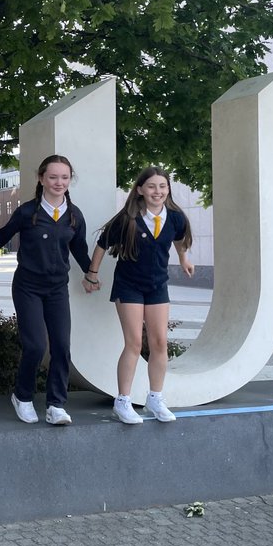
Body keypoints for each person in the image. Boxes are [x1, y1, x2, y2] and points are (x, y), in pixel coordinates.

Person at [0, 155, 94, 426]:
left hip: (57, 289)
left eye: (64, 177)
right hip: (27, 287)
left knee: (62, 347)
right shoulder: (28, 212)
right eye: (53, 177)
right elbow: (1, 238)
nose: (59, 182)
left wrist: (92, 273)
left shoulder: (74, 216)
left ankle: (56, 404)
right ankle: (22, 396)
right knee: (35, 345)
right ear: (41, 179)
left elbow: (79, 250)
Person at [88, 166, 194, 424]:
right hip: (129, 286)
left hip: (158, 285)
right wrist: (92, 273)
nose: (157, 191)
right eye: (151, 186)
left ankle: (155, 398)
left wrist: (183, 257)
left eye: (162, 186)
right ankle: (122, 401)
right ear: (140, 190)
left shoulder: (175, 218)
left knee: (159, 344)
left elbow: (180, 238)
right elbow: (103, 243)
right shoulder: (128, 218)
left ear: (168, 189)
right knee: (134, 343)